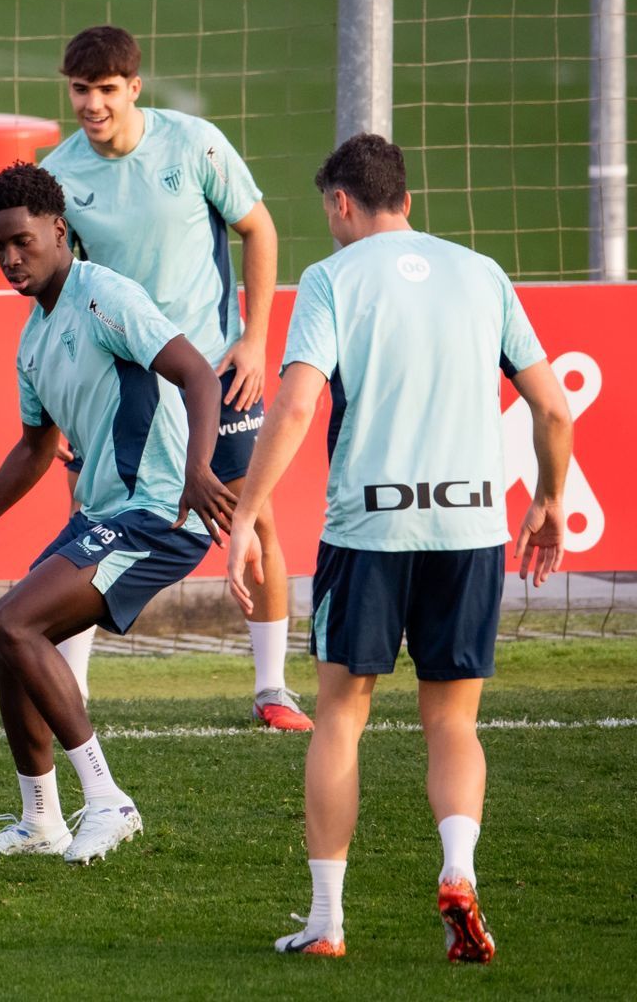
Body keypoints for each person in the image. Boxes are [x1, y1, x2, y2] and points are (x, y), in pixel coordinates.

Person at [227, 133, 571, 962]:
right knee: (453, 720)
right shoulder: (481, 273)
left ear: (341, 204)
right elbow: (554, 410)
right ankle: (458, 871)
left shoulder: (332, 279)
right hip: (472, 527)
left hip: (370, 528)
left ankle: (328, 922)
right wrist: (550, 498)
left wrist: (245, 514)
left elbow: (299, 404)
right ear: (406, 201)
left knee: (342, 714)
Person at [0, 162, 235, 863]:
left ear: (59, 230)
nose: (10, 258)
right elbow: (36, 449)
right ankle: (41, 821)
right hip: (105, 513)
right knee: (8, 643)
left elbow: (195, 372)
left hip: (158, 510)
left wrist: (197, 468)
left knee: (15, 621)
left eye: (22, 241)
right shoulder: (33, 339)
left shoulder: (104, 296)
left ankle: (108, 800)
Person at [41, 25, 306, 730]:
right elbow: (58, 286)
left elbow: (261, 229)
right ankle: (75, 690)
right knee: (89, 522)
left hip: (215, 371)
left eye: (105, 90)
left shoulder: (194, 144)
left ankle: (272, 687)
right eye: (79, 90)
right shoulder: (59, 176)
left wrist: (255, 339)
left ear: (133, 87)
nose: (91, 104)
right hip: (121, 384)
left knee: (255, 516)